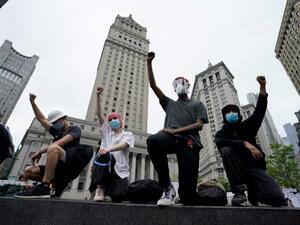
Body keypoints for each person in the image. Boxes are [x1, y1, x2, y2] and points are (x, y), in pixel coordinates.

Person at [146, 52, 208, 206]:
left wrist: (175, 131)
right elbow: (153, 85)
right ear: (174, 88)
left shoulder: (197, 105)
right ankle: (167, 187)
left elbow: (199, 125)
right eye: (176, 84)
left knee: (188, 198)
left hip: (189, 142)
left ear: (188, 86)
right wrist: (149, 63)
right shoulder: (169, 104)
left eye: (182, 82)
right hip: (170, 139)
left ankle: (185, 194)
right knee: (153, 140)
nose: (179, 85)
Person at [214, 76, 285, 207]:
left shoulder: (248, 126)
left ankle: (255, 192)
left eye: (233, 111)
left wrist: (262, 88)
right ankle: (239, 193)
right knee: (226, 150)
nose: (231, 113)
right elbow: (220, 143)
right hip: (236, 171)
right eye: (228, 112)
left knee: (278, 198)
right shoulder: (221, 133)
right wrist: (244, 143)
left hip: (253, 168)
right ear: (224, 117)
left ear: (238, 114)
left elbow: (260, 110)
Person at [15, 93, 92, 198]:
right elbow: (42, 119)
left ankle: (44, 186)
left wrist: (40, 152)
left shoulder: (74, 129)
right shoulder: (57, 132)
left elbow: (61, 143)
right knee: (28, 171)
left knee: (54, 147)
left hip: (68, 163)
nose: (53, 125)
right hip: (57, 168)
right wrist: (32, 102)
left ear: (63, 119)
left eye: (55, 122)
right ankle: (57, 183)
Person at [89, 87, 134, 202]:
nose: (112, 120)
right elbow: (99, 113)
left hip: (120, 171)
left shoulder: (128, 135)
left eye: (115, 118)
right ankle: (100, 188)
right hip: (105, 167)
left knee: (120, 196)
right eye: (110, 119)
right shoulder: (106, 132)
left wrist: (108, 148)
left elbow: (123, 145)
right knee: (104, 154)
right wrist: (98, 96)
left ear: (120, 121)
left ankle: (109, 191)